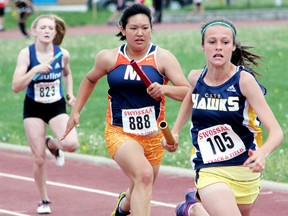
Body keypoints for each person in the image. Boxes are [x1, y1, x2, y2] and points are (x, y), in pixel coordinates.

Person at [61, 3, 189, 216]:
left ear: (151, 28)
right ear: (122, 28)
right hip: (119, 132)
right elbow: (90, 79)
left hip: (153, 136)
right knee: (144, 176)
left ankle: (122, 209)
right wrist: (76, 111)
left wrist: (164, 89)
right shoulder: (109, 57)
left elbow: (187, 92)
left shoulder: (162, 57)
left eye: (145, 28)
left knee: (141, 185)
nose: (140, 33)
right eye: (134, 28)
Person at [161, 17, 283, 216]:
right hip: (210, 167)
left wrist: (262, 153)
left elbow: (277, 132)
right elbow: (190, 98)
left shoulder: (244, 81)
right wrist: (174, 131)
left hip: (246, 170)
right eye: (212, 42)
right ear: (203, 46)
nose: (218, 47)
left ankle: (193, 209)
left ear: (233, 46)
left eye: (225, 42)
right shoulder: (195, 78)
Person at [12, 14, 79, 214]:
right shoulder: (26, 54)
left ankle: (53, 144)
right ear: (34, 31)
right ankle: (44, 200)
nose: (47, 31)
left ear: (55, 32)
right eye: (43, 28)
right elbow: (16, 86)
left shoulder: (62, 53)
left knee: (71, 144)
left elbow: (67, 73)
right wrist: (34, 71)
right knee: (39, 158)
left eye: (51, 28)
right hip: (33, 107)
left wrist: (70, 93)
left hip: (56, 105)